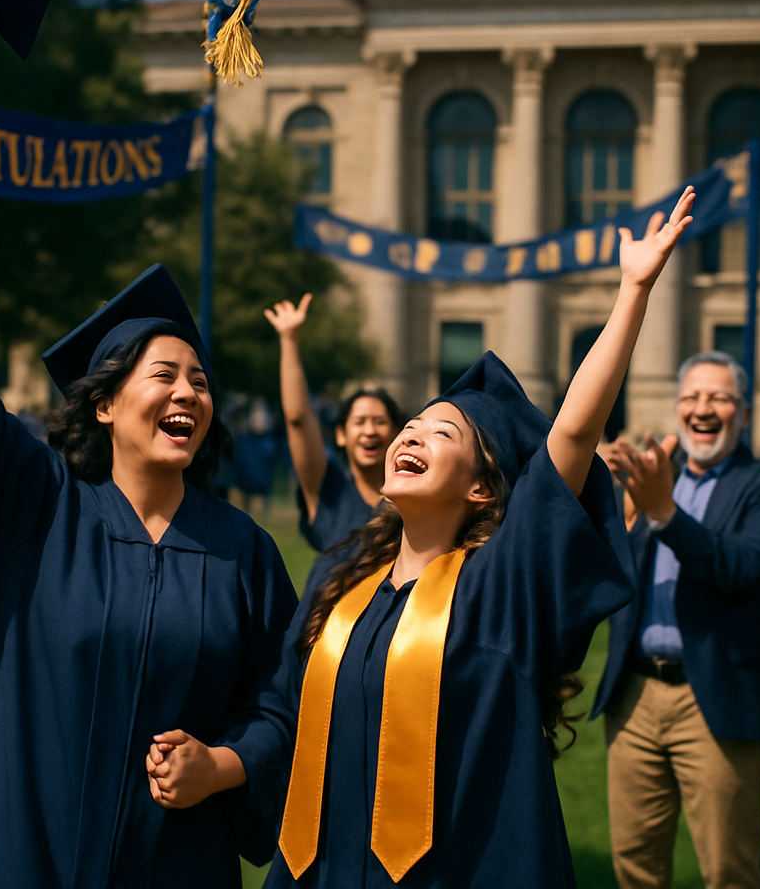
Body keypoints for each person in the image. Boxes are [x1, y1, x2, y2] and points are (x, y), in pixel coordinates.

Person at [0, 142, 298, 889]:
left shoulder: (244, 552)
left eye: (200, 382)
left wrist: (220, 766)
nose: (188, 393)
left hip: (172, 865)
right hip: (17, 853)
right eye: (164, 376)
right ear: (105, 403)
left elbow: (283, 710)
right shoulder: (35, 507)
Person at [254, 187, 695, 889]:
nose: (411, 433)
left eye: (443, 432)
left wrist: (633, 291)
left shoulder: (501, 585)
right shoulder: (341, 587)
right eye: (413, 425)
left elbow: (571, 437)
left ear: (483, 488)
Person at [592, 350, 760, 889]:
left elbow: (740, 568)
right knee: (635, 868)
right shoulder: (651, 482)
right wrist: (617, 513)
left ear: (742, 414)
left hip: (713, 695)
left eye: (718, 398)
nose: (703, 409)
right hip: (635, 696)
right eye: (691, 397)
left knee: (729, 872)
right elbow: (605, 579)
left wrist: (664, 512)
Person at [264, 294, 401, 552]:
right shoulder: (330, 494)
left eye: (379, 422)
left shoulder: (411, 505)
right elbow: (297, 420)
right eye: (359, 422)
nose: (369, 431)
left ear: (397, 432)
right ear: (341, 434)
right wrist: (289, 340)